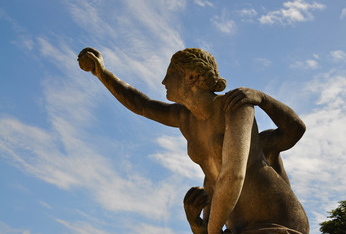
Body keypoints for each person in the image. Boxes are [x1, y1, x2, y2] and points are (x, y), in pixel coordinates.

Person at [79, 47, 309, 234]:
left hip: (276, 222)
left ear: (192, 76)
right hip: (235, 226)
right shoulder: (184, 118)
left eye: (169, 73)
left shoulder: (235, 106)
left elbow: (233, 174)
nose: (163, 81)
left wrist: (263, 99)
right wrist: (101, 72)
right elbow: (142, 105)